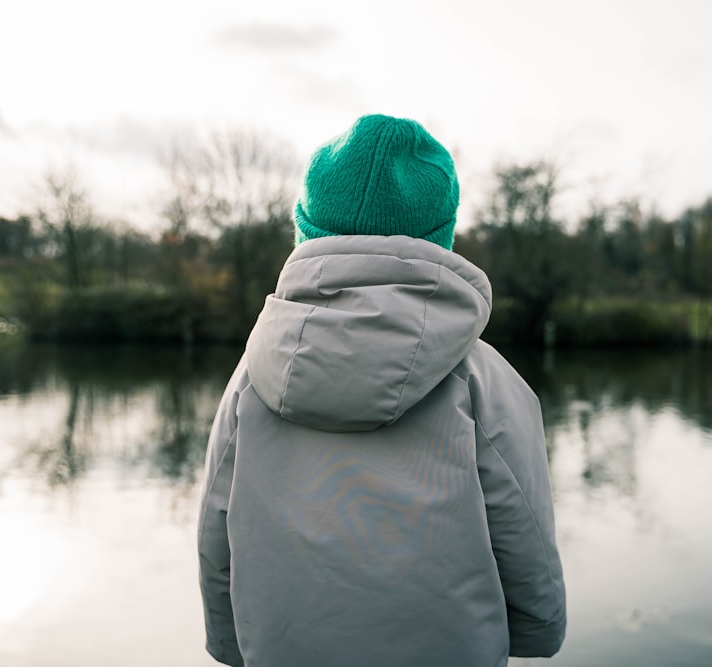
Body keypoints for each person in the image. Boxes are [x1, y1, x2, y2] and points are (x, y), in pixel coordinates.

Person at [197, 114, 566, 667]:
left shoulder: (253, 374)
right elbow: (526, 537)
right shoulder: (482, 379)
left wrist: (228, 644)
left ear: (308, 231)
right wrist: (537, 632)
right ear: (441, 237)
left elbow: (217, 531)